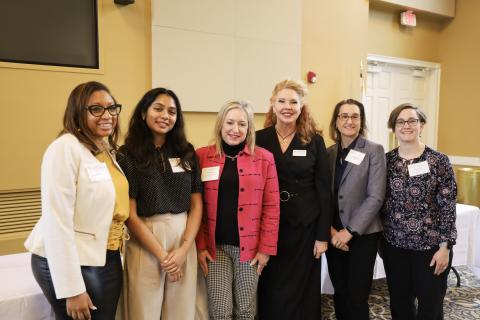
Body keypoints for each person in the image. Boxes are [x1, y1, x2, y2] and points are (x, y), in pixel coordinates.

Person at [25, 81, 128, 320]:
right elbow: (57, 221)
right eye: (96, 109)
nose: (107, 115)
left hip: (105, 255)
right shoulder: (63, 149)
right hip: (71, 261)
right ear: (77, 111)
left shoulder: (103, 148)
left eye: (112, 108)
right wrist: (72, 289)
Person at [117, 88, 203, 319]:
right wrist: (164, 257)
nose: (166, 115)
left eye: (172, 111)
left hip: (183, 237)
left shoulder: (186, 152)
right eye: (158, 108)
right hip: (146, 239)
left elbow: (196, 204)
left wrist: (184, 249)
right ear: (144, 113)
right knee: (143, 310)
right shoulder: (127, 155)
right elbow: (130, 215)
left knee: (180, 311)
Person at [195, 101, 280, 320]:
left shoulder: (264, 158)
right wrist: (200, 246)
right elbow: (195, 205)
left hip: (249, 250)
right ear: (220, 124)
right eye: (230, 122)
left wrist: (265, 250)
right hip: (215, 249)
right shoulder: (202, 156)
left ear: (249, 128)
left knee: (245, 309)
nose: (236, 129)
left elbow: (272, 207)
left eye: (242, 124)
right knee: (220, 311)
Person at [256, 79, 333, 319]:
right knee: (271, 286)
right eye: (282, 101)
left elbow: (323, 190)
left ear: (302, 107)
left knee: (303, 288)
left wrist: (322, 236)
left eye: (293, 102)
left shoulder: (314, 140)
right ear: (272, 104)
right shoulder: (258, 138)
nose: (287, 107)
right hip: (269, 225)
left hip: (305, 227)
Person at [381, 103, 457, 320]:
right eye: (400, 122)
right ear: (393, 128)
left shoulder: (438, 161)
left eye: (412, 121)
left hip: (430, 247)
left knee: (430, 305)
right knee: (400, 303)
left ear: (421, 125)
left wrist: (445, 247)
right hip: (394, 245)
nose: (407, 126)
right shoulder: (387, 161)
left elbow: (448, 206)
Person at [326, 99, 386, 320]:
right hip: (333, 236)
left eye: (355, 116)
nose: (349, 121)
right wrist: (332, 231)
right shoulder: (329, 152)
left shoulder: (373, 150)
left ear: (361, 121)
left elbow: (376, 196)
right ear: (336, 121)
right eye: (344, 116)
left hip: (362, 236)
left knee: (357, 296)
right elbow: (324, 196)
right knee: (339, 293)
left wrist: (349, 232)